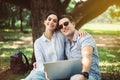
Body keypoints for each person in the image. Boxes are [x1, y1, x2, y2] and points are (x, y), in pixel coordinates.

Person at [21, 11, 86, 80]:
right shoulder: (38, 42)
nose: (51, 22)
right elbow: (40, 63)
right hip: (44, 72)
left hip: (60, 72)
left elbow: (71, 32)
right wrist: (47, 72)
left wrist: (78, 30)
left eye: (54, 21)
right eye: (49, 19)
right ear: (45, 21)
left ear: (56, 25)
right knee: (36, 75)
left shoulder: (61, 35)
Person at [58, 15, 101, 80]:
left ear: (73, 24)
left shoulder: (84, 37)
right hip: (73, 75)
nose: (64, 27)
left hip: (90, 75)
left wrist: (84, 75)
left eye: (66, 23)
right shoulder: (65, 42)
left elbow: (87, 56)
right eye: (61, 26)